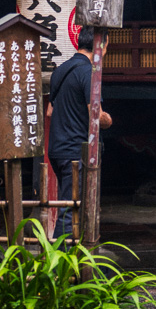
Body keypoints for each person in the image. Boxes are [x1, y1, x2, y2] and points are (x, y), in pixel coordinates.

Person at [47, 27, 111, 237]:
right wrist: (108, 120)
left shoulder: (61, 70)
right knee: (70, 209)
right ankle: (58, 264)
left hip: (57, 149)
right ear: (100, 45)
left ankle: (74, 258)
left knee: (73, 205)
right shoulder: (89, 72)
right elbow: (96, 114)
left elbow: (50, 111)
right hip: (76, 152)